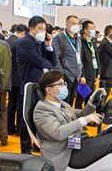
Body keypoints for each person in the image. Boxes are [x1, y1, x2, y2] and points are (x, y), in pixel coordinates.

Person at [16, 16, 58, 154]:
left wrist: (49, 45)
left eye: (45, 29)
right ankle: (25, 149)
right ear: (31, 29)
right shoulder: (24, 43)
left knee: (37, 117)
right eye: (40, 29)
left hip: (39, 86)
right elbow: (40, 61)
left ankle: (36, 144)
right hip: (28, 85)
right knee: (26, 118)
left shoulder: (40, 43)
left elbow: (53, 61)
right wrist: (49, 65)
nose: (43, 31)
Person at [51, 14, 82, 106]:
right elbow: (54, 57)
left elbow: (79, 56)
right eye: (73, 23)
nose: (75, 25)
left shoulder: (78, 38)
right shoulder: (59, 37)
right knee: (63, 101)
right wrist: (62, 73)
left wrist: (81, 72)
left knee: (71, 101)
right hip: (66, 74)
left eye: (77, 23)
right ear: (67, 24)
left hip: (76, 75)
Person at [6, 24, 27, 136]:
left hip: (9, 78)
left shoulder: (6, 41)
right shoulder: (20, 43)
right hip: (19, 77)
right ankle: (19, 129)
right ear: (22, 33)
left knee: (11, 103)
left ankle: (9, 128)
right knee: (20, 104)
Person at [76, 20, 99, 109]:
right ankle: (78, 116)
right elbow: (79, 60)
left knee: (90, 98)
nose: (93, 30)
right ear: (85, 30)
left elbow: (96, 58)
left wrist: (98, 72)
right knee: (81, 97)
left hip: (93, 74)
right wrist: (82, 75)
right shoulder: (81, 42)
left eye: (94, 28)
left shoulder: (92, 42)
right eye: (91, 28)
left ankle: (87, 117)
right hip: (85, 75)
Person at [97, 25, 112, 93]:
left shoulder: (108, 42)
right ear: (111, 34)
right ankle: (102, 104)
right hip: (107, 71)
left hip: (108, 71)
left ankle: (103, 103)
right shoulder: (106, 43)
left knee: (106, 91)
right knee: (105, 92)